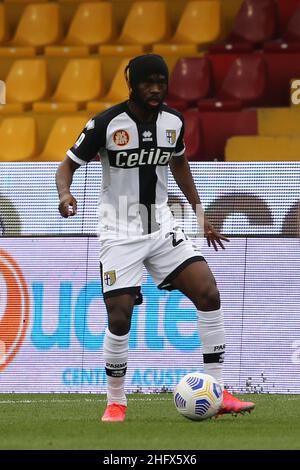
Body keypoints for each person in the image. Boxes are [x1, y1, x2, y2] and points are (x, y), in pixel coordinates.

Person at [56, 54, 255, 422]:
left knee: (208, 292)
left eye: (161, 83)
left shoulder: (173, 122)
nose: (156, 89)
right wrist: (65, 194)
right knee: (120, 317)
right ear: (133, 85)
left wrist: (200, 214)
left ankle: (219, 388)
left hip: (162, 227)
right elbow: (66, 165)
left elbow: (179, 162)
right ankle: (116, 401)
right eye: (148, 82)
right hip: (119, 233)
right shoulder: (105, 123)